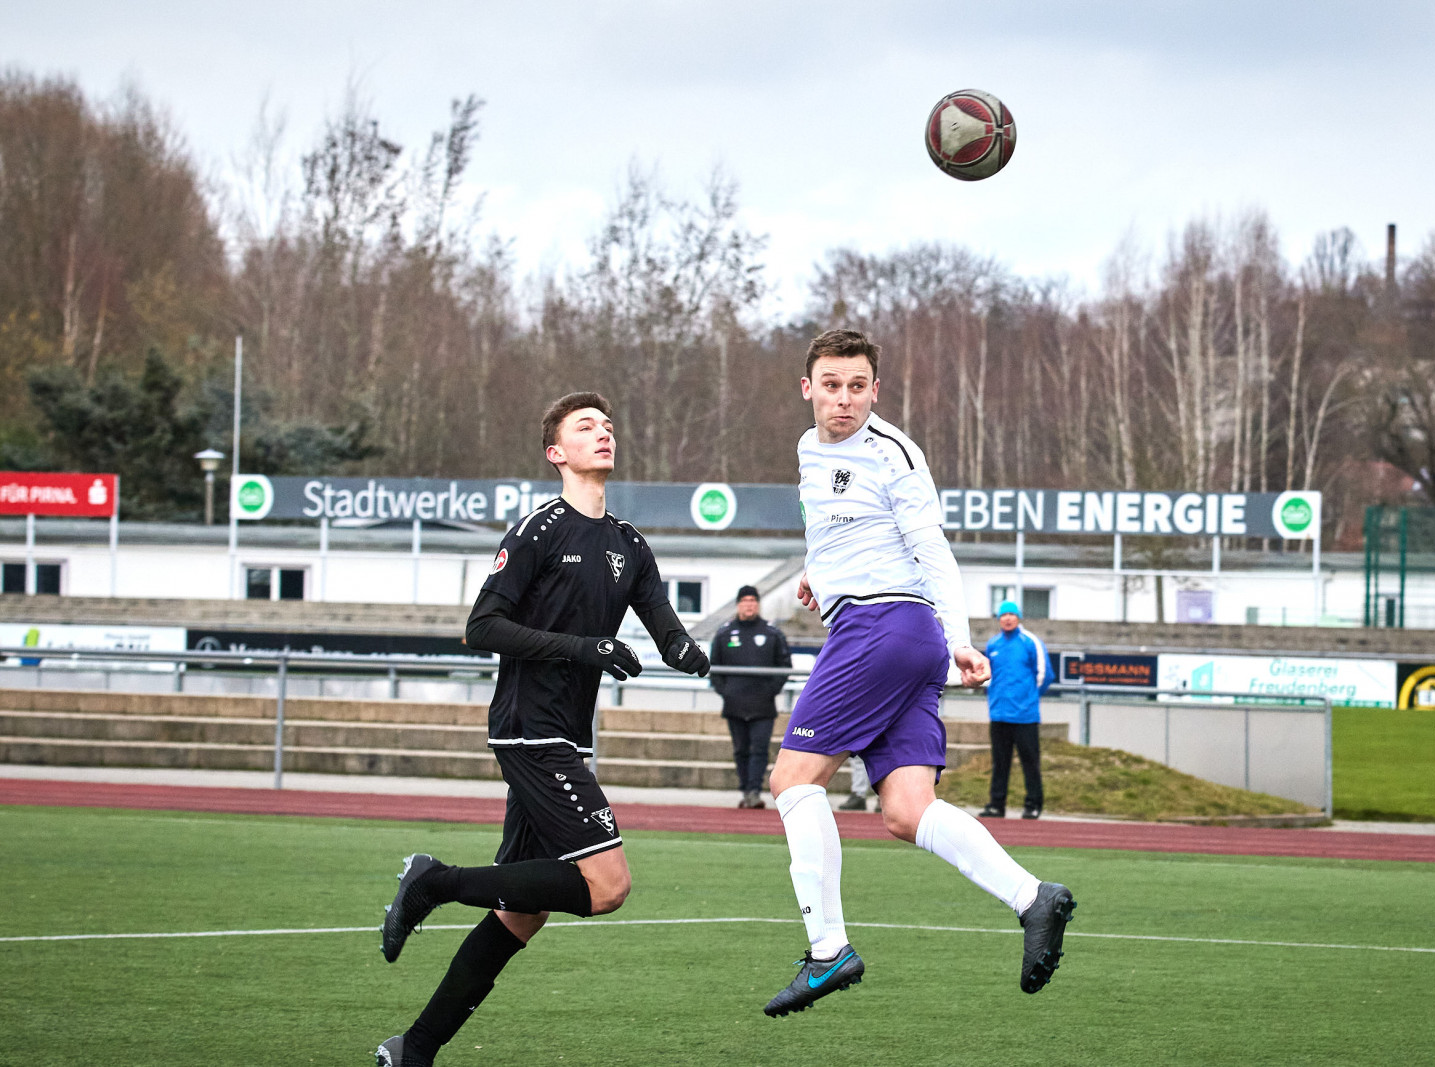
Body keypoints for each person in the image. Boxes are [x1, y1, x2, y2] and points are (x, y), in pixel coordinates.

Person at [373, 392, 710, 1067]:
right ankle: (432, 879)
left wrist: (694, 654)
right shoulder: (538, 529)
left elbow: (663, 623)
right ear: (557, 452)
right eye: (586, 426)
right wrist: (587, 649)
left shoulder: (628, 543)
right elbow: (481, 627)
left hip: (567, 734)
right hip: (530, 729)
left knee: (520, 910)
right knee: (607, 885)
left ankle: (412, 1047)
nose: (603, 432)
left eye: (608, 424)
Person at [763, 329, 1076, 1018]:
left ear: (875, 390)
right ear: (807, 386)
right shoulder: (809, 449)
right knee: (906, 811)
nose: (843, 398)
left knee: (791, 780)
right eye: (831, 384)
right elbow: (836, 526)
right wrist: (821, 574)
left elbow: (932, 551)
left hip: (884, 629)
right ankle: (1034, 898)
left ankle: (827, 949)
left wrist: (960, 639)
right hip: (889, 630)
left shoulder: (894, 452)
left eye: (857, 386)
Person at [710, 584, 793, 808]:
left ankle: (755, 791)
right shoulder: (724, 633)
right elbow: (713, 668)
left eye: (753, 601)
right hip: (735, 705)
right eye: (745, 601)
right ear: (738, 605)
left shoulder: (772, 633)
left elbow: (784, 666)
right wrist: (726, 692)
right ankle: (745, 790)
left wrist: (770, 691)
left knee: (759, 749)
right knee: (740, 750)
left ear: (758, 605)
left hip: (763, 705)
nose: (749, 605)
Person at [979, 600, 1055, 820]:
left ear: (1018, 617)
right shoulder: (993, 644)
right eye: (1004, 615)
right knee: (999, 763)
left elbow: (1045, 675)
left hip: (1025, 716)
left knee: (1030, 762)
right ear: (999, 619)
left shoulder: (1030, 642)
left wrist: (1028, 698)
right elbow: (989, 678)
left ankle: (1033, 804)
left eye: (1012, 614)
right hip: (999, 715)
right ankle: (996, 804)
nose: (1008, 618)